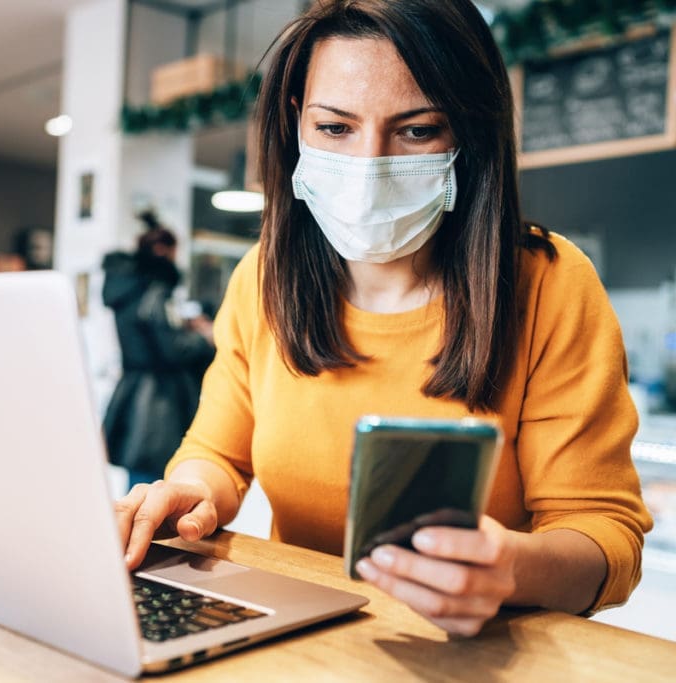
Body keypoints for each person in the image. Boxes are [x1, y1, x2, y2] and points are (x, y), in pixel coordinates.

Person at [114, 0, 652, 638]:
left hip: (477, 656)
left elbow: (602, 537)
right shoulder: (262, 277)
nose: (369, 166)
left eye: (418, 130)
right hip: (297, 643)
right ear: (295, 125)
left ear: (468, 133)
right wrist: (189, 492)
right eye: (336, 128)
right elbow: (217, 455)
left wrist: (511, 568)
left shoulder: (551, 283)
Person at [102, 211, 215, 487]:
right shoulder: (156, 294)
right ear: (163, 250)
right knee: (155, 484)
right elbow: (172, 350)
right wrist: (205, 338)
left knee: (137, 484)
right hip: (158, 404)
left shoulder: (127, 291)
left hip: (132, 390)